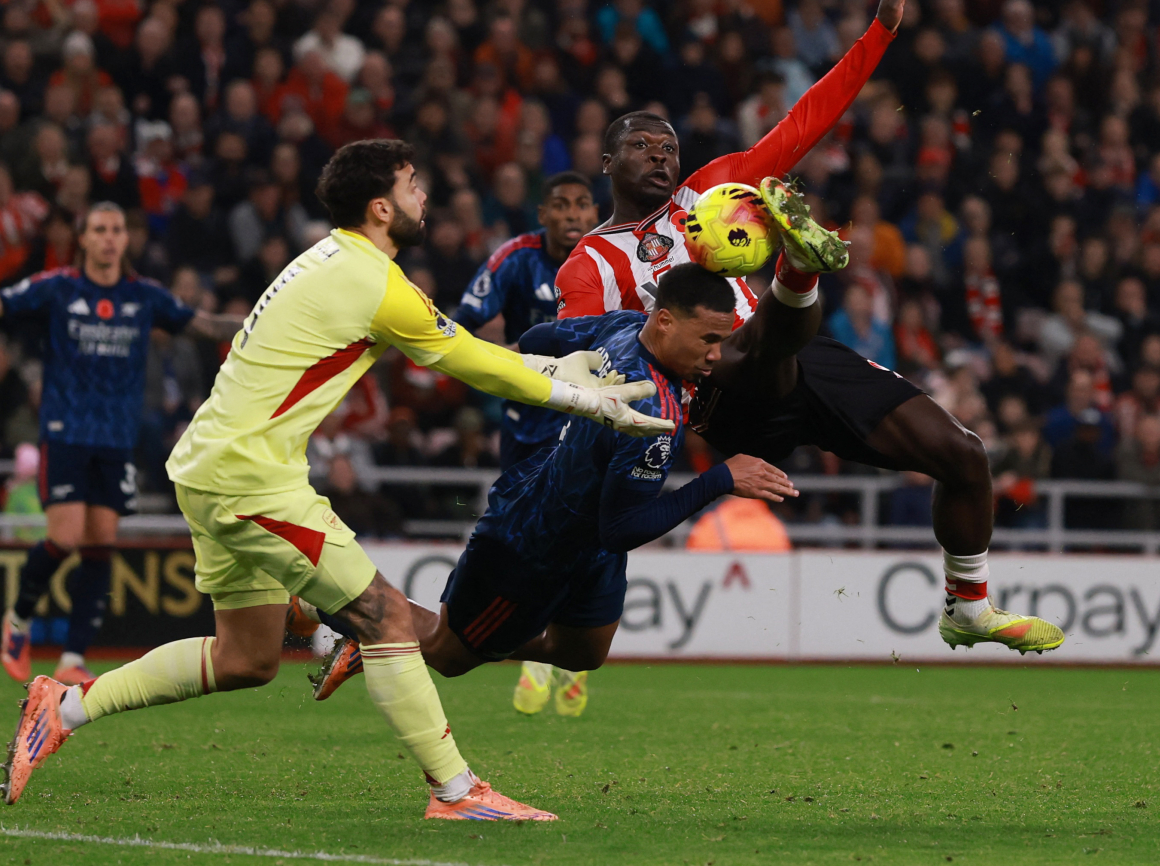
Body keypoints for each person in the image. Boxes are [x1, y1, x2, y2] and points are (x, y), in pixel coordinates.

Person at [1, 140, 674, 818]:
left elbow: (473, 352)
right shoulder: (373, 282)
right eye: (414, 187)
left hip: (215, 465)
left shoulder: (329, 260)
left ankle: (64, 706)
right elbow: (471, 362)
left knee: (246, 659)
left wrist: (572, 371)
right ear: (382, 206)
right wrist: (585, 399)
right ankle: (456, 791)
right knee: (381, 617)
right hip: (248, 479)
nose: (424, 199)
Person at [554, 0, 1063, 656]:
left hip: (792, 352)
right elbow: (582, 351)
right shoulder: (589, 261)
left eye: (668, 146)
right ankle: (798, 268)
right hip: (711, 389)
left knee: (965, 454)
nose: (660, 155)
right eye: (640, 146)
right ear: (606, 164)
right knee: (756, 346)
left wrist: (879, 31)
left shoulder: (711, 193)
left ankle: (967, 605)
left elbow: (807, 119)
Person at [297, 265, 797, 697]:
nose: (716, 355)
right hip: (534, 544)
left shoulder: (624, 327)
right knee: (451, 655)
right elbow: (621, 530)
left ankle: (431, 634)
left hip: (587, 536)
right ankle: (352, 617)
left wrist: (549, 368)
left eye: (722, 340)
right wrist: (721, 479)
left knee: (585, 652)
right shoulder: (650, 412)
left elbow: (540, 340)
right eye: (709, 340)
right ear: (664, 322)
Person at [0, 202, 243, 688]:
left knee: (101, 545)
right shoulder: (58, 287)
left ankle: (71, 657)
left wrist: (264, 323)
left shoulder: (145, 296)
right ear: (83, 238)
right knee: (65, 538)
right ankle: (16, 622)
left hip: (115, 440)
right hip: (66, 434)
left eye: (116, 229)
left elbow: (205, 324)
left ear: (125, 240)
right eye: (99, 230)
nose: (110, 238)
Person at [453, 169, 601, 717]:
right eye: (559, 205)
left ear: (594, 212)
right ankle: (555, 658)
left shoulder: (609, 258)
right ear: (542, 214)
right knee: (529, 545)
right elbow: (459, 326)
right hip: (525, 428)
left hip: (585, 425)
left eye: (582, 205)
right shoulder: (515, 259)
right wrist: (519, 357)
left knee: (575, 540)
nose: (571, 215)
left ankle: (555, 660)